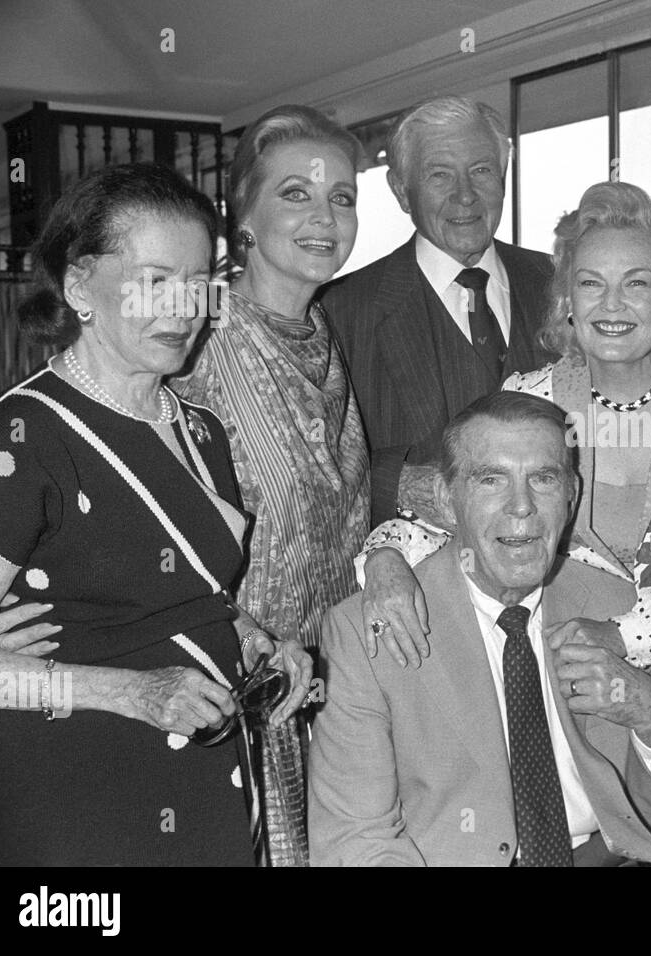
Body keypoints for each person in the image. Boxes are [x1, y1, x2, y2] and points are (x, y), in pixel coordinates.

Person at [360, 182, 651, 866]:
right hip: (571, 724)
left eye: (637, 283)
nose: (612, 305)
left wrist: (613, 636)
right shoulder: (525, 397)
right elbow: (453, 513)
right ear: (567, 302)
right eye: (591, 283)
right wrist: (384, 557)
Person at [0, 163, 310, 865]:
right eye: (156, 280)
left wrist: (256, 640)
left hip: (211, 772)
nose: (185, 308)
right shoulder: (25, 437)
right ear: (78, 286)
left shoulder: (202, 429)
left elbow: (184, 597)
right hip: (87, 788)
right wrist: (130, 692)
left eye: (199, 281)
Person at [310, 392, 651, 866]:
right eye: (492, 480)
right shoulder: (364, 632)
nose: (522, 507)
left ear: (571, 496)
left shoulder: (612, 603)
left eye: (543, 478)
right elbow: (357, 842)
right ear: (445, 500)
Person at [173, 105, 371, 650]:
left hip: (336, 673)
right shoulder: (192, 336)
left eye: (342, 197)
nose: (325, 218)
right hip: (228, 676)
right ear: (244, 218)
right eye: (295, 194)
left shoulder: (332, 328)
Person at [319, 95, 555, 525]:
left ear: (504, 177)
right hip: (417, 579)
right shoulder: (340, 313)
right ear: (400, 191)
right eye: (439, 174)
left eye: (482, 170)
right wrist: (399, 486)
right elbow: (316, 469)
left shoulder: (561, 285)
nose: (464, 196)